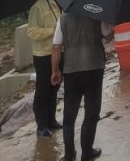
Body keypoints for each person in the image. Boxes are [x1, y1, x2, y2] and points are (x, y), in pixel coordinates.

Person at [50, 12, 112, 161]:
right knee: (91, 112)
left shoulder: (63, 19)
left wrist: (55, 70)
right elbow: (108, 36)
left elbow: (56, 47)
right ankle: (87, 152)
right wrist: (112, 24)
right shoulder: (98, 14)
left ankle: (69, 155)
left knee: (69, 116)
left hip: (72, 70)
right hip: (94, 67)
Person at [27, 0, 62, 137]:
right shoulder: (37, 6)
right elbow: (31, 31)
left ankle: (51, 120)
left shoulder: (60, 3)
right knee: (43, 90)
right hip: (43, 55)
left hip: (58, 52)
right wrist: (52, 31)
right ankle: (41, 126)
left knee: (54, 87)